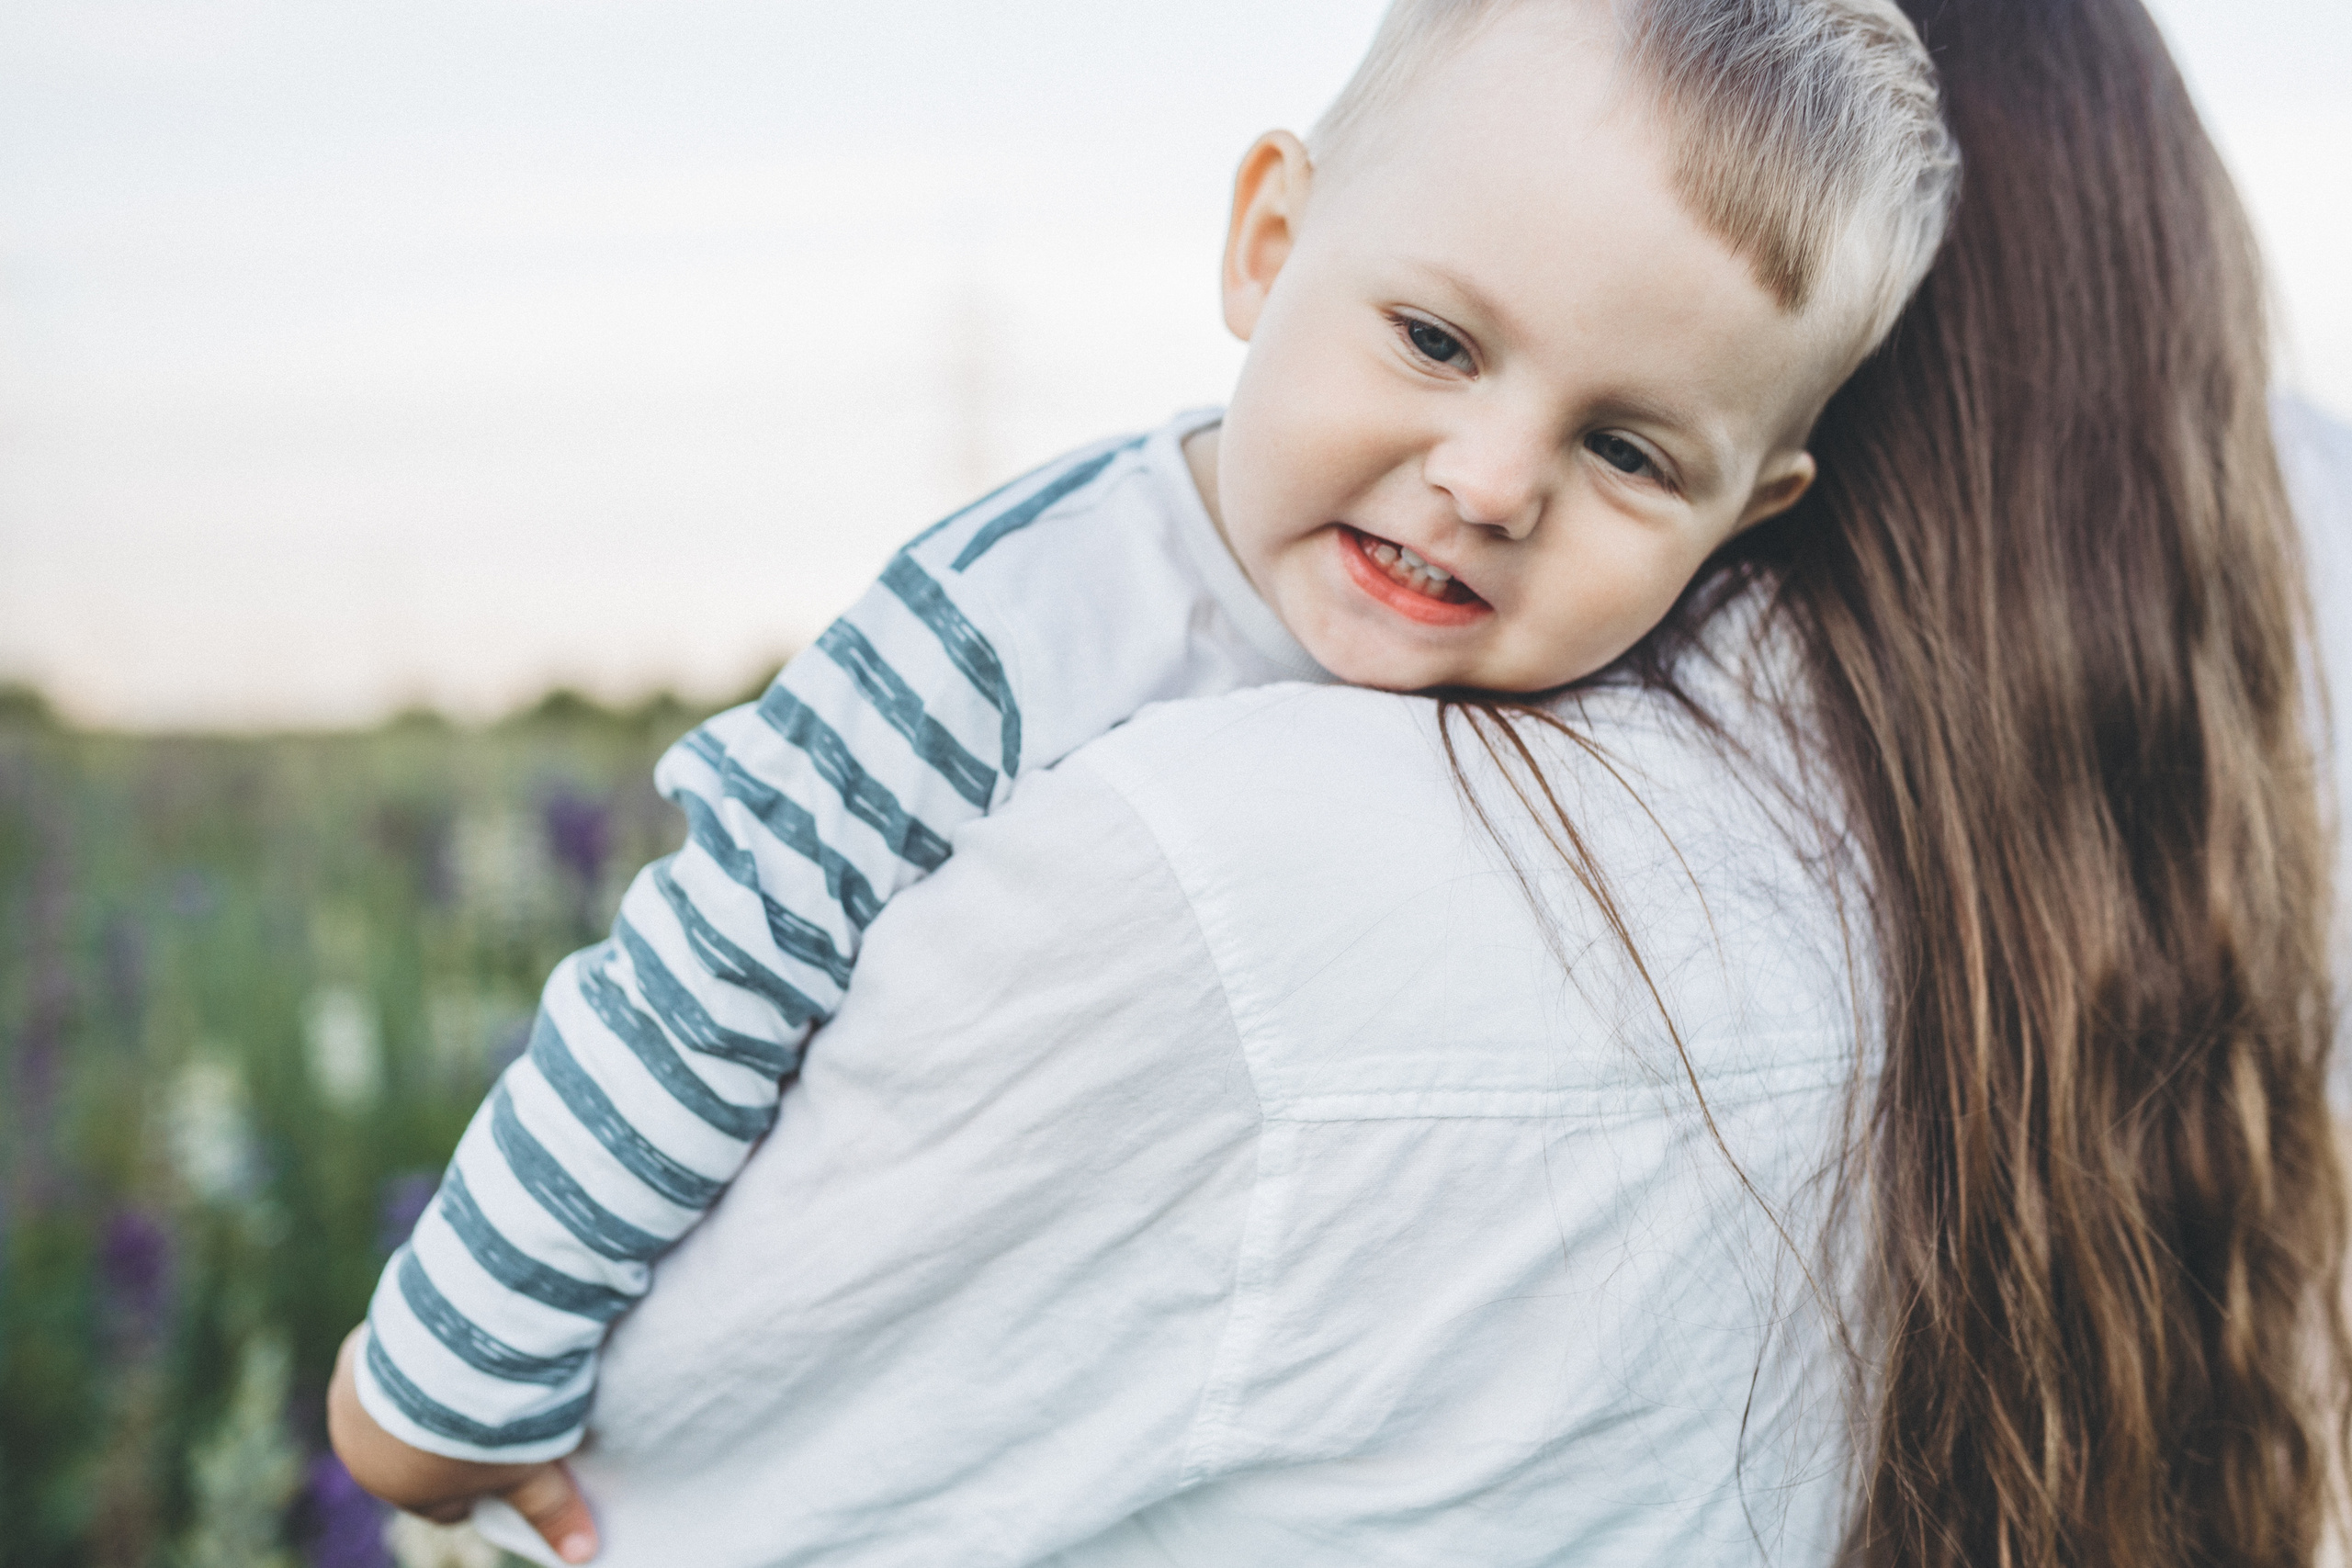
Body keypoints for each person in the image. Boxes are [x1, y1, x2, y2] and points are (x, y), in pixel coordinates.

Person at [335, 0, 2352, 1560]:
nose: (1485, 481)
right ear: (1264, 241)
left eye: (1630, 452)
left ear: (1757, 515)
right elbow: (696, 974)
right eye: (1429, 337)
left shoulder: (1589, 730)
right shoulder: (1009, 634)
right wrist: (436, 1383)